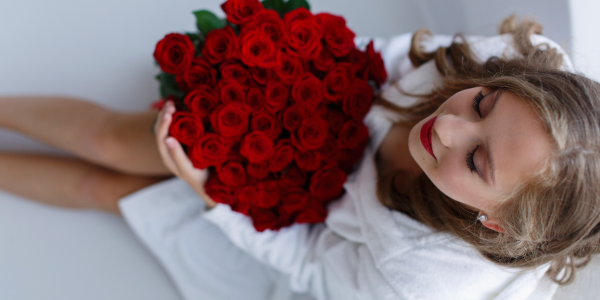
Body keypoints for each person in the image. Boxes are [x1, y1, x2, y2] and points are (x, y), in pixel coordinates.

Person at [0, 16, 598, 300]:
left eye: (475, 161)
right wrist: (314, 67)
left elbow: (312, 266)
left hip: (306, 240)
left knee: (114, 194)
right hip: (328, 121)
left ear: (491, 221)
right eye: (484, 101)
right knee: (113, 139)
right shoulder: (528, 62)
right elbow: (400, 62)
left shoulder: (423, 278)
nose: (446, 125)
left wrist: (218, 198)